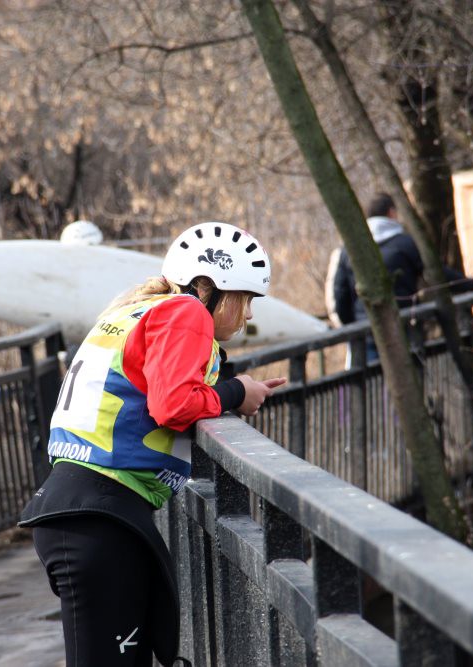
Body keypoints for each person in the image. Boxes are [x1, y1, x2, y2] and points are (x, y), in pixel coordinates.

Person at [19, 222, 287, 666]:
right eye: (245, 299)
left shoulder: (135, 311)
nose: (249, 315)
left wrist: (231, 387)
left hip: (89, 509)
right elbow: (173, 405)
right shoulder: (187, 312)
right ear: (209, 288)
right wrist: (237, 391)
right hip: (99, 516)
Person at [328, 193, 473, 364]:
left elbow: (340, 294)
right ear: (391, 212)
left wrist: (353, 325)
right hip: (403, 327)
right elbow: (436, 273)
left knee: (370, 378)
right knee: (408, 372)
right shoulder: (405, 243)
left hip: (365, 331)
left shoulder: (350, 249)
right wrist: (470, 284)